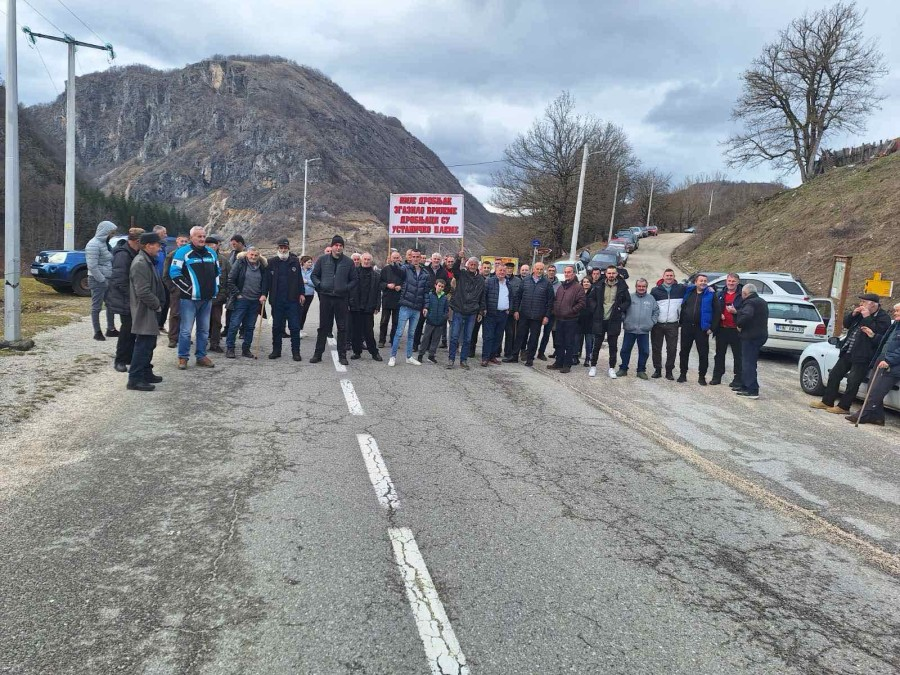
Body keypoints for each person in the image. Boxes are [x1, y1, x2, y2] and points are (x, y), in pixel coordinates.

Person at [810, 293, 891, 414]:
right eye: (861, 301)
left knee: (853, 381)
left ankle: (844, 407)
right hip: (849, 350)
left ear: (873, 304)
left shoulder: (883, 317)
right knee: (834, 374)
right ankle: (827, 401)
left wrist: (867, 317)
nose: (861, 304)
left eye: (864, 302)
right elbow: (847, 324)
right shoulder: (859, 314)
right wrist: (853, 314)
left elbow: (878, 334)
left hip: (864, 355)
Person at [169, 226, 221, 369]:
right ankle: (183, 357)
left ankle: (201, 356)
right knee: (186, 330)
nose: (202, 239)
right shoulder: (182, 252)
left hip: (207, 299)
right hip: (189, 299)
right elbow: (174, 273)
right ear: (192, 238)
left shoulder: (211, 253)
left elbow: (218, 272)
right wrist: (189, 288)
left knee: (204, 330)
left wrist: (215, 289)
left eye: (204, 236)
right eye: (199, 236)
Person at [847, 302, 900, 425]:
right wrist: (873, 335)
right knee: (873, 389)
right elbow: (886, 343)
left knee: (876, 391)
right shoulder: (895, 325)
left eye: (898, 311)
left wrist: (889, 361)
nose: (895, 313)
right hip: (882, 359)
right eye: (895, 311)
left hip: (892, 365)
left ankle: (862, 416)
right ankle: (878, 418)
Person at [310, 235, 358, 365]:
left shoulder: (348, 262)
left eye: (340, 245)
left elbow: (354, 279)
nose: (338, 247)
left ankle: (342, 355)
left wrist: (345, 288)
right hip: (326, 297)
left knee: (342, 327)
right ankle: (317, 354)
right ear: (331, 247)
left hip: (341, 299)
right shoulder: (322, 260)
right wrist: (320, 285)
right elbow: (314, 275)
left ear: (343, 247)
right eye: (336, 245)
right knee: (323, 327)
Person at [127, 232, 166, 391]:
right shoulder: (140, 263)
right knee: (143, 345)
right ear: (148, 245)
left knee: (149, 344)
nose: (159, 248)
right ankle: (135, 379)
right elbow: (142, 291)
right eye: (157, 245)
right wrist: (157, 304)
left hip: (150, 309)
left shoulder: (148, 260)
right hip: (145, 310)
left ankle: (146, 372)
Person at [108, 228, 144, 372]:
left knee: (132, 329)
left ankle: (129, 357)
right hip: (124, 298)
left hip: (131, 297)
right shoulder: (123, 254)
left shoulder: (134, 252)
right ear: (137, 241)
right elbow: (119, 279)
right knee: (126, 329)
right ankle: (120, 360)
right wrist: (132, 297)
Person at [506, 261, 554, 366]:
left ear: (543, 270)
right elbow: (518, 297)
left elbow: (550, 302)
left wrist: (546, 316)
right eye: (537, 269)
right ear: (533, 269)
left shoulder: (547, 284)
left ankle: (530, 359)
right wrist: (516, 310)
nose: (539, 271)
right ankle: (514, 356)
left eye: (541, 269)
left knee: (534, 338)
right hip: (524, 314)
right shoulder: (525, 281)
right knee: (519, 336)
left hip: (538, 316)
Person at [587, 266, 631, 378]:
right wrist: (595, 308)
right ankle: (593, 366)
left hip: (614, 320)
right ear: (605, 274)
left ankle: (611, 368)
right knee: (596, 345)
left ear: (616, 274)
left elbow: (627, 301)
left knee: (613, 346)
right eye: (609, 273)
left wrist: (620, 308)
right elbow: (590, 299)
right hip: (600, 319)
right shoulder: (599, 285)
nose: (611, 275)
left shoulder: (622, 286)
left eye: (613, 273)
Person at [225, 247, 269, 359]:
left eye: (256, 255)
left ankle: (246, 349)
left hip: (255, 301)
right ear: (247, 254)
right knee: (234, 325)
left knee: (249, 327)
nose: (253, 257)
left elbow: (265, 282)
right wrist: (238, 294)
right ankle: (230, 348)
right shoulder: (240, 263)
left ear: (259, 256)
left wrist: (264, 294)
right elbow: (230, 280)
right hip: (241, 300)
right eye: (251, 255)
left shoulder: (263, 266)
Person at [677, 273, 720, 384]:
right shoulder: (689, 292)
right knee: (684, 352)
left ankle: (702, 376)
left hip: (702, 328)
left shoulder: (711, 294)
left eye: (705, 281)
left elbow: (717, 312)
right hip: (687, 327)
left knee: (703, 353)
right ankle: (682, 374)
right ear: (695, 282)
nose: (703, 283)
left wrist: (712, 328)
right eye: (701, 280)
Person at [390, 249, 429, 366]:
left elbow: (426, 292)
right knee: (399, 333)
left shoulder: (425, 274)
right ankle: (392, 357)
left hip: (417, 308)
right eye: (414, 256)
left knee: (412, 334)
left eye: (418, 256)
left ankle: (409, 357)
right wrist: (394, 262)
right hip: (405, 306)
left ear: (421, 258)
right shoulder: (405, 269)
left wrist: (426, 306)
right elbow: (397, 271)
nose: (416, 259)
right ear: (410, 258)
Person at [267, 238, 304, 361]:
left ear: (288, 248)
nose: (283, 250)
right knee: (277, 327)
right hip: (277, 301)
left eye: (285, 248)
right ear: (278, 249)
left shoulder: (294, 262)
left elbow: (299, 279)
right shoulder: (271, 262)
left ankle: (296, 352)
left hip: (292, 300)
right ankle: (276, 351)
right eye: (281, 248)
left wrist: (302, 293)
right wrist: (263, 294)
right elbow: (266, 282)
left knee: (294, 327)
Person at [449, 254, 486, 369]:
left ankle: (463, 360)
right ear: (467, 265)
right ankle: (451, 359)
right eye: (471, 264)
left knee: (467, 338)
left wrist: (480, 311)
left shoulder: (481, 279)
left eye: (475, 264)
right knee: (454, 336)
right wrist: (459, 258)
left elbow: (482, 296)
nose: (473, 266)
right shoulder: (462, 274)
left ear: (478, 266)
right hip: (459, 309)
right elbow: (453, 269)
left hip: (472, 312)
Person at [546, 265, 585, 374]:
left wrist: (571, 311)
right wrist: (555, 310)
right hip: (559, 319)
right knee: (559, 342)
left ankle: (567, 365)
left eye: (569, 272)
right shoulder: (561, 286)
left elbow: (582, 303)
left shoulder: (578, 287)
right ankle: (558, 362)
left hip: (570, 320)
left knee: (569, 343)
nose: (567, 274)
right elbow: (556, 300)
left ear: (573, 274)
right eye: (565, 272)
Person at [618, 278, 659, 379]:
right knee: (625, 350)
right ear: (636, 287)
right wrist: (625, 320)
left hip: (644, 331)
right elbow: (622, 310)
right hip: (630, 329)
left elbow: (656, 312)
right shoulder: (630, 297)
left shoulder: (651, 299)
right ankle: (623, 369)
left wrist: (651, 322)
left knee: (644, 351)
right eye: (639, 286)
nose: (641, 288)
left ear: (646, 287)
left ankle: (641, 371)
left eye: (643, 286)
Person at [650, 269, 686, 380]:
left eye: (671, 275)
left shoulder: (680, 289)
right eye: (667, 275)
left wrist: (709, 288)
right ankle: (657, 369)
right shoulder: (655, 291)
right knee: (656, 348)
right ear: (663, 276)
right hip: (658, 324)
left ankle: (669, 371)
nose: (669, 277)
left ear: (674, 277)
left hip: (673, 324)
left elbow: (694, 287)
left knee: (672, 349)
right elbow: (651, 307)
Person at [85, 220, 118, 340]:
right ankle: (97, 332)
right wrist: (102, 280)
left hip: (107, 278)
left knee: (110, 304)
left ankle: (111, 329)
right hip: (97, 279)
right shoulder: (93, 244)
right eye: (111, 233)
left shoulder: (104, 244)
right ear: (105, 232)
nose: (112, 235)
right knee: (96, 306)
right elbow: (92, 266)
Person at [734, 283, 768, 399]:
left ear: (745, 293)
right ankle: (745, 385)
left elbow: (747, 315)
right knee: (748, 361)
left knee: (748, 363)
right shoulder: (761, 301)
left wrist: (739, 324)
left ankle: (752, 389)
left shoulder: (750, 302)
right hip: (760, 335)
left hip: (751, 336)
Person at [348, 252, 383, 361]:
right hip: (355, 306)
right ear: (361, 260)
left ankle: (374, 352)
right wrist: (348, 303)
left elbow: (378, 292)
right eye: (365, 259)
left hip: (369, 307)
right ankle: (357, 352)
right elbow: (349, 289)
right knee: (355, 332)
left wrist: (378, 306)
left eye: (368, 259)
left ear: (371, 261)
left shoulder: (376, 275)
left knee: (369, 332)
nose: (367, 261)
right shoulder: (353, 273)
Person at [712, 273, 744, 386]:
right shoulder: (720, 294)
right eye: (729, 281)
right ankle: (717, 376)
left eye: (733, 281)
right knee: (719, 354)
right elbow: (715, 309)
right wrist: (719, 314)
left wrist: (736, 312)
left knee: (738, 356)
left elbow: (747, 312)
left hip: (737, 330)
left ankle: (738, 379)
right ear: (726, 281)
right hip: (722, 329)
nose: (731, 283)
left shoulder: (742, 295)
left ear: (738, 282)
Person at [481, 262, 511, 366]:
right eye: (500, 270)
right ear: (496, 271)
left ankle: (492, 356)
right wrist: (484, 308)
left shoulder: (508, 283)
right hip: (490, 313)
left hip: (503, 314)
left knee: (498, 337)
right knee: (488, 336)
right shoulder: (489, 281)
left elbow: (511, 297)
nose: (502, 272)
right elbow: (483, 296)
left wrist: (509, 308)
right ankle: (485, 357)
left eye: (504, 270)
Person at [205, 235, 231, 354]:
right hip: (202, 297)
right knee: (202, 322)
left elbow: (230, 279)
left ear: (217, 246)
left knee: (216, 321)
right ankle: (202, 343)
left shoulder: (224, 261)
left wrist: (224, 294)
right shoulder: (200, 259)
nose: (211, 247)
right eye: (208, 244)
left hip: (218, 297)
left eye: (213, 244)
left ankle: (214, 344)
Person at [163, 235, 189, 348]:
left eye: (185, 241)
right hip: (177, 291)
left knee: (187, 315)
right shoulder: (171, 255)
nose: (183, 243)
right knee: (175, 314)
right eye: (181, 241)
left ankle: (184, 337)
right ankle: (173, 338)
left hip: (188, 291)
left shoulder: (190, 255)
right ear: (177, 243)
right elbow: (165, 275)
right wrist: (173, 289)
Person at [418, 278, 449, 364]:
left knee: (436, 340)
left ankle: (431, 356)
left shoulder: (445, 298)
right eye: (439, 286)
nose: (440, 288)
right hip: (430, 321)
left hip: (440, 322)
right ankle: (421, 354)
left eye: (442, 287)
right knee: (425, 338)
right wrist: (428, 315)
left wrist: (444, 317)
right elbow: (426, 305)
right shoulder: (430, 295)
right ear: (435, 285)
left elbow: (446, 309)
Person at [468, 260, 493, 359]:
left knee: (487, 333)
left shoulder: (493, 279)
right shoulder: (476, 278)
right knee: (474, 331)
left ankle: (487, 353)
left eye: (488, 268)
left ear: (490, 269)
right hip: (477, 309)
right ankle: (471, 350)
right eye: (485, 267)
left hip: (489, 310)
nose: (486, 269)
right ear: (481, 268)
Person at [379, 250, 403, 347]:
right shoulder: (385, 269)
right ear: (390, 259)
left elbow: (406, 282)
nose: (396, 260)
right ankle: (382, 340)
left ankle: (393, 340)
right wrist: (387, 285)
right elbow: (380, 283)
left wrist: (400, 287)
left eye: (397, 258)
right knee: (384, 321)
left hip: (398, 300)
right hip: (387, 299)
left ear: (400, 259)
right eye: (394, 258)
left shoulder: (403, 270)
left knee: (396, 322)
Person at [537, 265, 561, 360]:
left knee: (547, 334)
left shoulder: (559, 285)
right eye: (550, 270)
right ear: (546, 271)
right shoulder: (541, 281)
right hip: (539, 311)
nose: (551, 272)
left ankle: (541, 352)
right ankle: (530, 351)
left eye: (553, 271)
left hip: (551, 313)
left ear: (555, 272)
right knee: (536, 333)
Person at [503, 264, 525, 359]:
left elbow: (519, 297)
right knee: (498, 333)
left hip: (511, 311)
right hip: (501, 310)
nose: (509, 270)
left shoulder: (518, 281)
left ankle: (508, 353)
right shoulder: (500, 278)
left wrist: (516, 310)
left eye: (511, 268)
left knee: (510, 333)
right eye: (507, 268)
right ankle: (496, 351)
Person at [575, 277, 595, 367]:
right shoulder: (578, 293)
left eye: (588, 282)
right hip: (579, 320)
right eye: (584, 282)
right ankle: (575, 357)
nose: (586, 283)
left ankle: (587, 358)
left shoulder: (594, 292)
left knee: (589, 341)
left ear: (591, 283)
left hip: (590, 320)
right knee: (577, 340)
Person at [152, 225, 169, 332]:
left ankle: (161, 325)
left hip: (164, 279)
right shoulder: (152, 246)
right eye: (164, 233)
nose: (166, 235)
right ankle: (154, 325)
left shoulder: (164, 246)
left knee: (166, 302)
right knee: (156, 302)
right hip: (155, 279)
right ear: (158, 234)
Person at [298, 255, 315, 337]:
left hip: (309, 294)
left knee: (304, 312)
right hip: (300, 294)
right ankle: (296, 330)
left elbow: (315, 282)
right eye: (308, 262)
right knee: (299, 311)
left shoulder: (313, 271)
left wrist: (307, 281)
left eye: (311, 262)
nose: (310, 263)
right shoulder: (298, 270)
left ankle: (301, 329)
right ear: (303, 263)